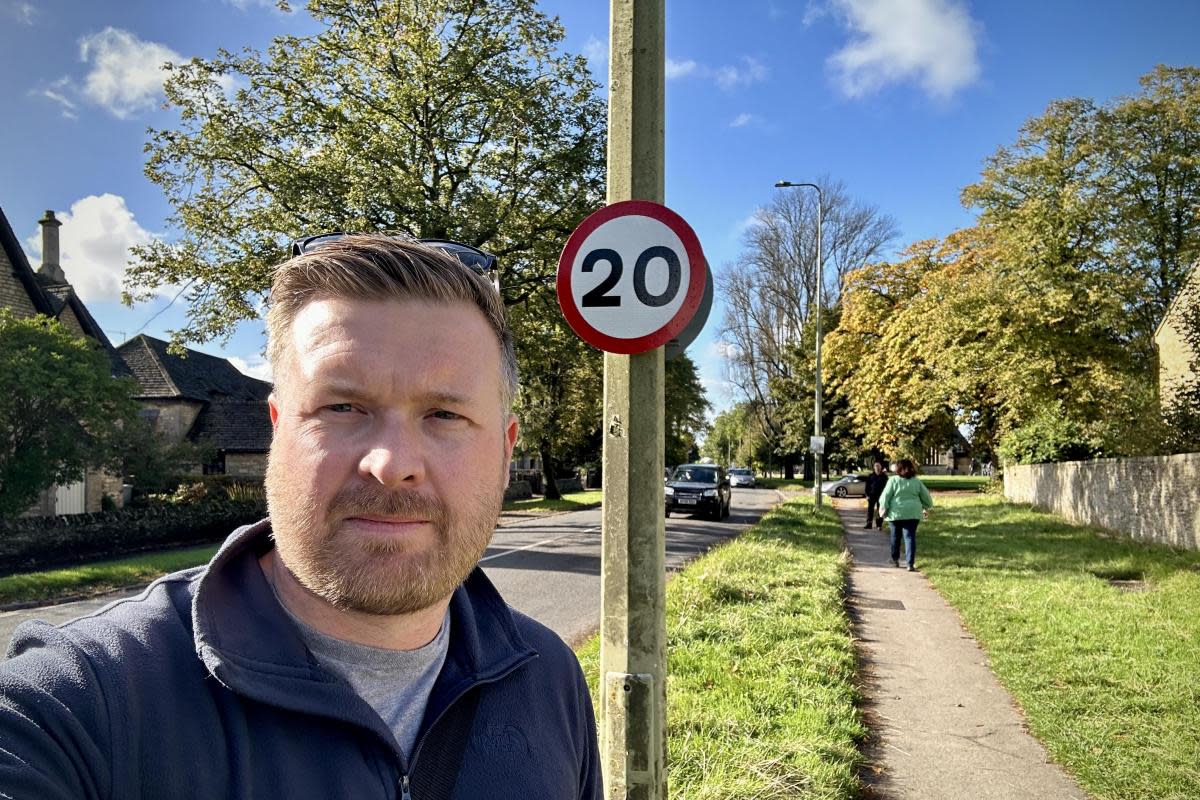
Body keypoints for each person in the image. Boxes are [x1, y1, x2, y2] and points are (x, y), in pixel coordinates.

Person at [0, 235, 601, 798]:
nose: (391, 464)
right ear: (279, 430)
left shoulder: (550, 679)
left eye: (444, 415)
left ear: (504, 449)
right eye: (342, 406)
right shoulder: (82, 704)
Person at [879, 458, 934, 572]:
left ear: (898, 468)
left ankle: (895, 560)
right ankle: (910, 563)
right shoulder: (916, 481)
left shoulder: (893, 480)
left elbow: (885, 496)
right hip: (913, 513)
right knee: (910, 538)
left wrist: (884, 507)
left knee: (895, 537)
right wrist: (926, 506)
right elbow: (926, 497)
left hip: (896, 513)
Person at [863, 461, 888, 529]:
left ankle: (879, 525)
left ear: (881, 467)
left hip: (881, 496)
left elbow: (887, 487)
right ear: (874, 467)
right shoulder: (870, 476)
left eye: (878, 466)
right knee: (870, 510)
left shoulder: (884, 476)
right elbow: (867, 487)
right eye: (876, 466)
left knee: (880, 510)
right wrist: (867, 495)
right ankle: (869, 524)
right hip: (871, 495)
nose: (877, 467)